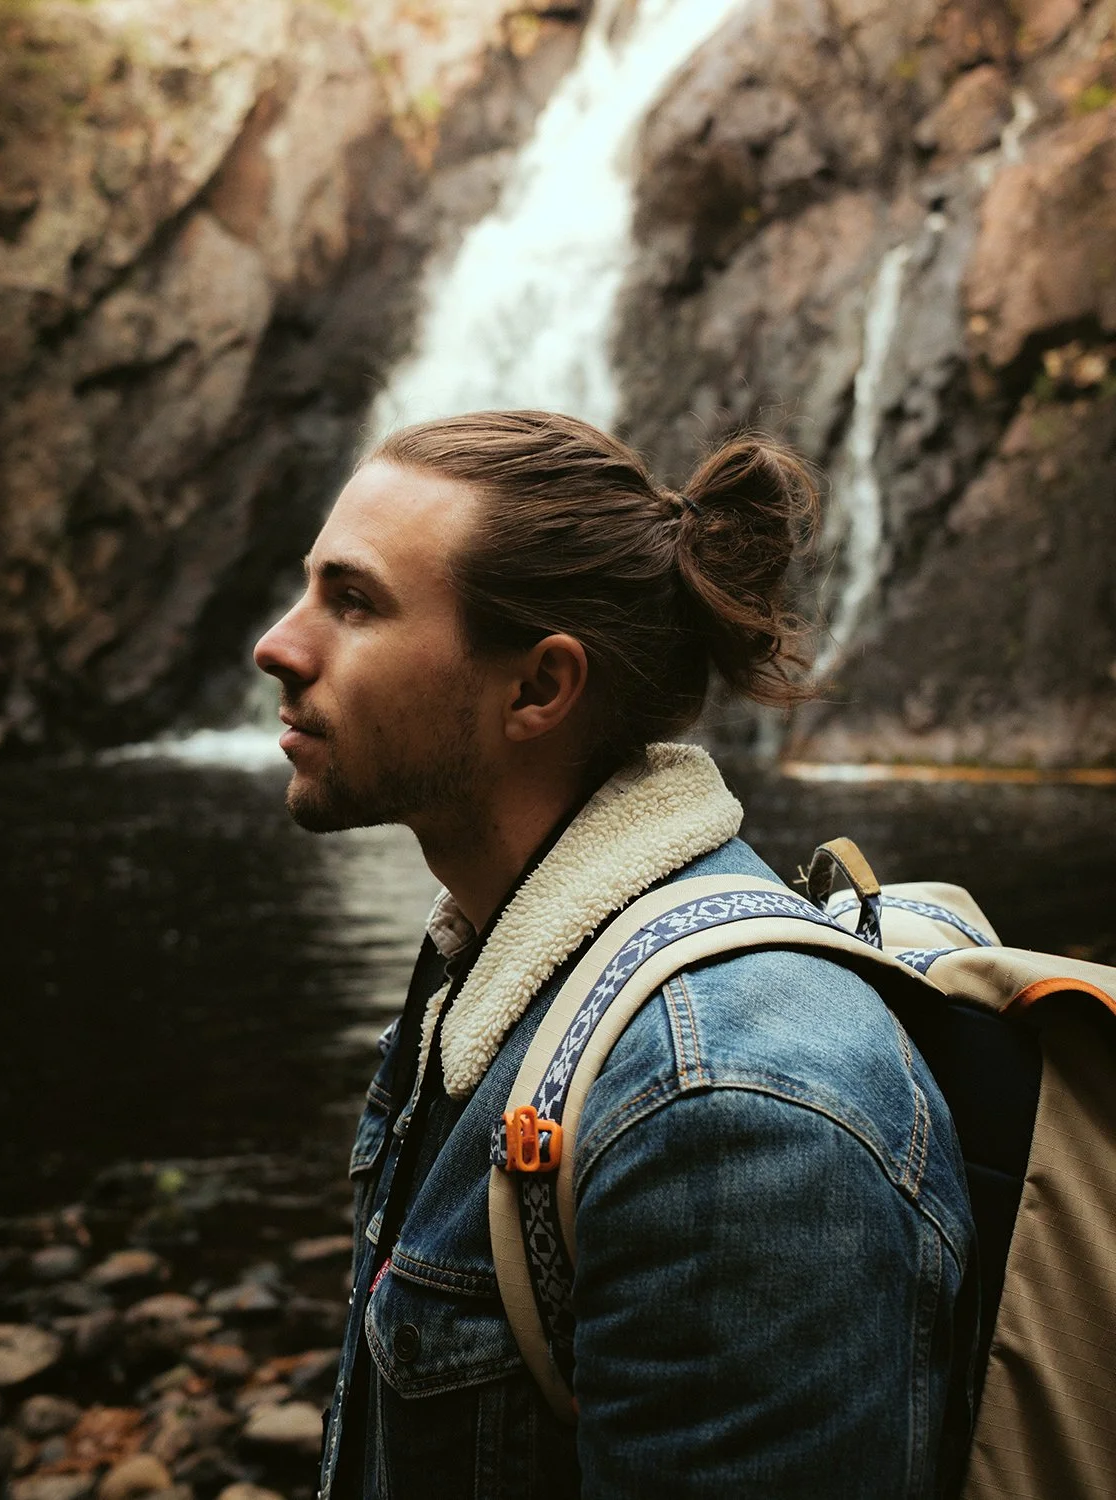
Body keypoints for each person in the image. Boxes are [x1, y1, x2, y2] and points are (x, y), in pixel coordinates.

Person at [253, 410, 976, 1499]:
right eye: (311, 588)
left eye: (352, 602)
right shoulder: (494, 973)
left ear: (539, 690)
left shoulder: (727, 1109)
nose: (279, 643)